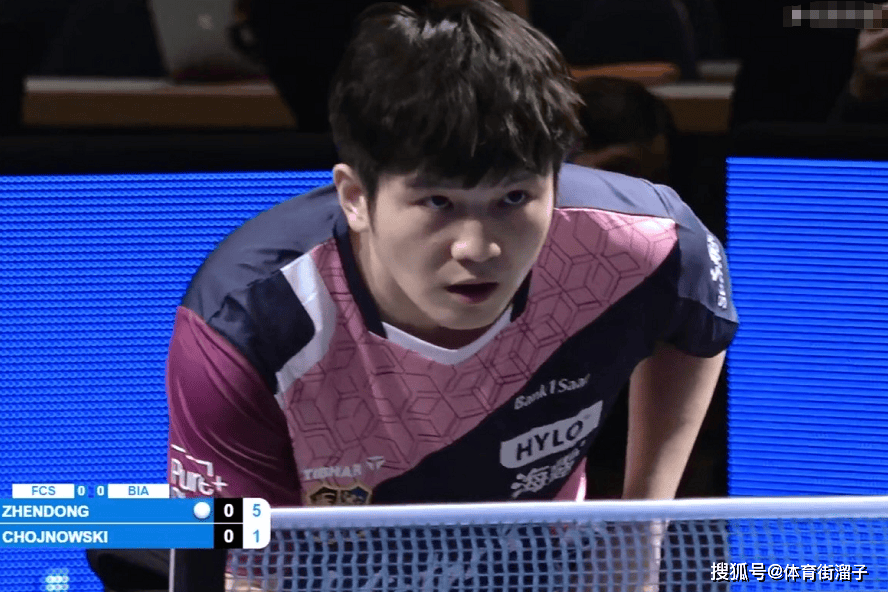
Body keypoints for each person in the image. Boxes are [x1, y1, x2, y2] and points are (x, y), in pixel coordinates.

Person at [164, 0, 738, 587]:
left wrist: (638, 526)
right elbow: (241, 565)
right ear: (355, 197)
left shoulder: (646, 243)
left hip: (537, 566)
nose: (478, 248)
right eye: (438, 202)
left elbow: (696, 319)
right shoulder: (246, 323)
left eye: (514, 198)